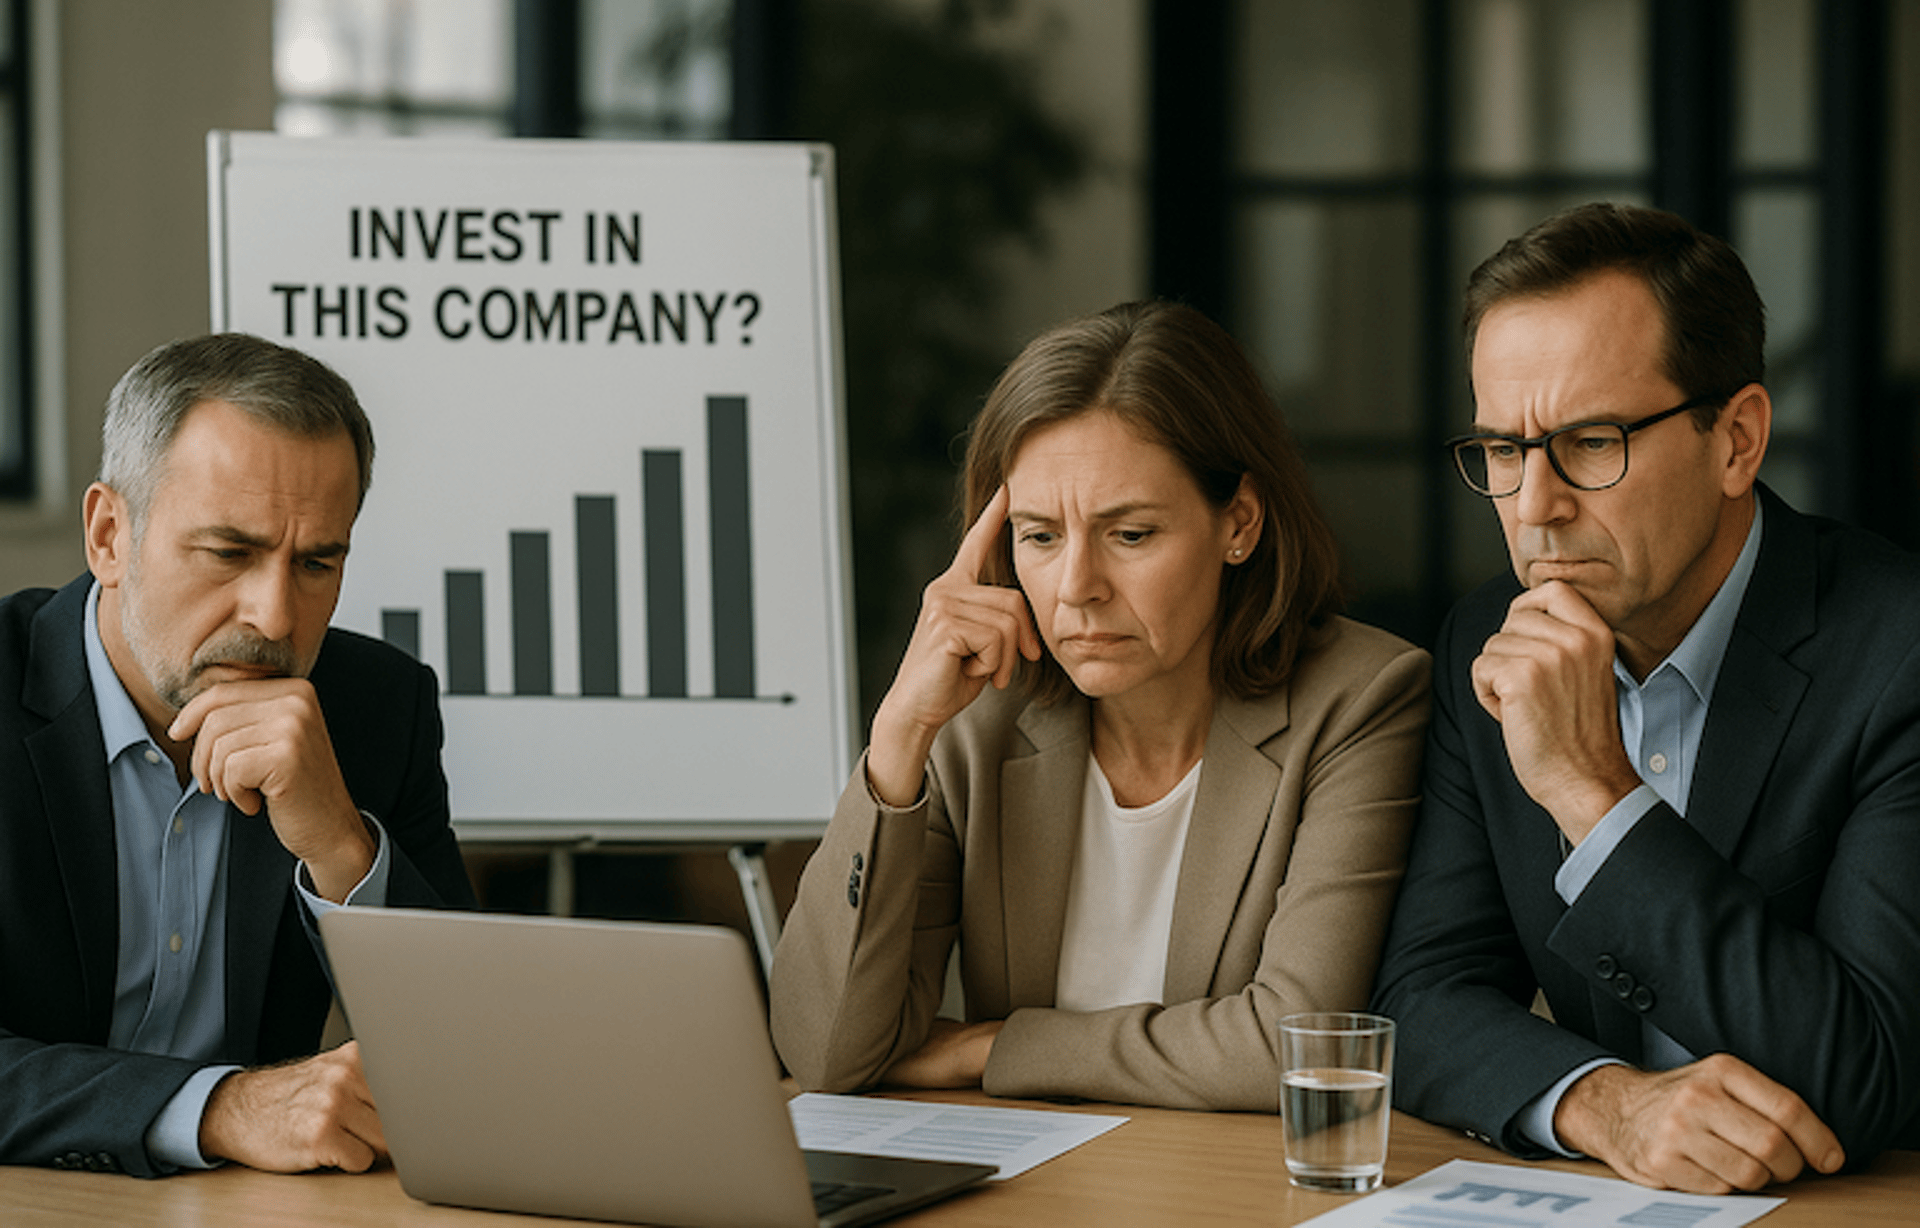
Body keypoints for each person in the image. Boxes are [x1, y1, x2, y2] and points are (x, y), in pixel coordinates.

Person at [1371, 203, 1920, 1192]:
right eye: (1503, 448)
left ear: (1737, 439)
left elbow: (1868, 1075)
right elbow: (1420, 994)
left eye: (1590, 440)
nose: (1534, 505)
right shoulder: (1485, 639)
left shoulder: (1899, 653)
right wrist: (1602, 1102)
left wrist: (1594, 792)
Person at [770, 299, 1429, 1109]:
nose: (1076, 589)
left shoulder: (1361, 699)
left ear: (1241, 524)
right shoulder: (977, 719)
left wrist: (997, 1047)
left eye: (1130, 535)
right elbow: (826, 1052)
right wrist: (899, 737)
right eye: (1041, 537)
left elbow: (1289, 1044)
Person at [0, 333, 475, 1177]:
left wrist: (339, 846)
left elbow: (473, 1055)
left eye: (317, 563)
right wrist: (218, 1107)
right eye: (230, 553)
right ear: (110, 535)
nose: (274, 617)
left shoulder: (377, 708)